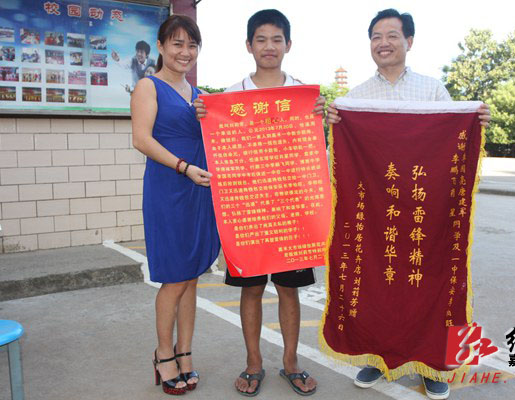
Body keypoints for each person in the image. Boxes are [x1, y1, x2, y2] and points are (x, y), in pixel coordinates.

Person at [326, 9, 491, 400]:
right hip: (377, 215)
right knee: (376, 286)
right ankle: (377, 358)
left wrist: (476, 120)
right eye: (376, 36)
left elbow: (454, 141)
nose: (383, 43)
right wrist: (335, 121)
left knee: (432, 284)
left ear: (409, 42)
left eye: (392, 35)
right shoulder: (356, 96)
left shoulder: (433, 90)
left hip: (425, 214)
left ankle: (434, 365)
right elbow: (341, 159)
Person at [194, 9, 324, 397]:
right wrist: (205, 116)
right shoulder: (232, 97)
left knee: (288, 290)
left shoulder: (303, 96)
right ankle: (253, 363)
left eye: (277, 39)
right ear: (249, 46)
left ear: (288, 45)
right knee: (250, 290)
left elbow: (314, 153)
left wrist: (323, 118)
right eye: (261, 39)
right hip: (248, 212)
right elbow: (221, 150)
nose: (269, 46)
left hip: (291, 213)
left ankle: (291, 363)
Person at [130, 14, 220, 396]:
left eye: (192, 45)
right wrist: (183, 167)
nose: (185, 52)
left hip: (200, 192)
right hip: (169, 189)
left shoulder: (200, 96)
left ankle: (185, 351)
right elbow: (141, 139)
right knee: (175, 278)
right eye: (178, 43)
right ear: (162, 46)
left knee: (192, 275)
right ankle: (163, 353)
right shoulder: (148, 86)